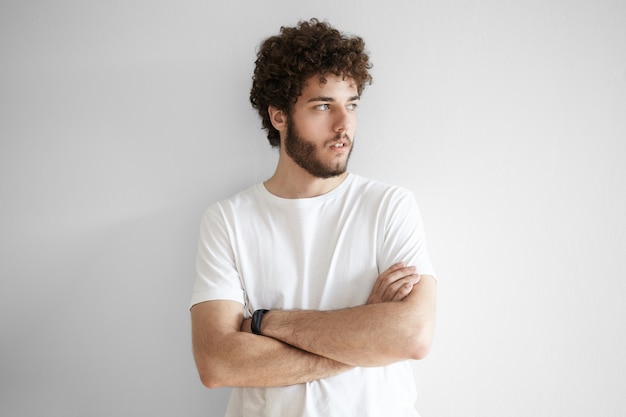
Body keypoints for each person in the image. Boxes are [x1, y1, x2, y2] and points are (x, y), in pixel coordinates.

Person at [190, 18, 437, 417]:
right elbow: (217, 364)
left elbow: (411, 337)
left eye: (351, 104)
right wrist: (366, 335)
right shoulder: (228, 220)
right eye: (323, 105)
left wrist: (265, 324)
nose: (344, 125)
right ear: (279, 116)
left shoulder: (389, 206)